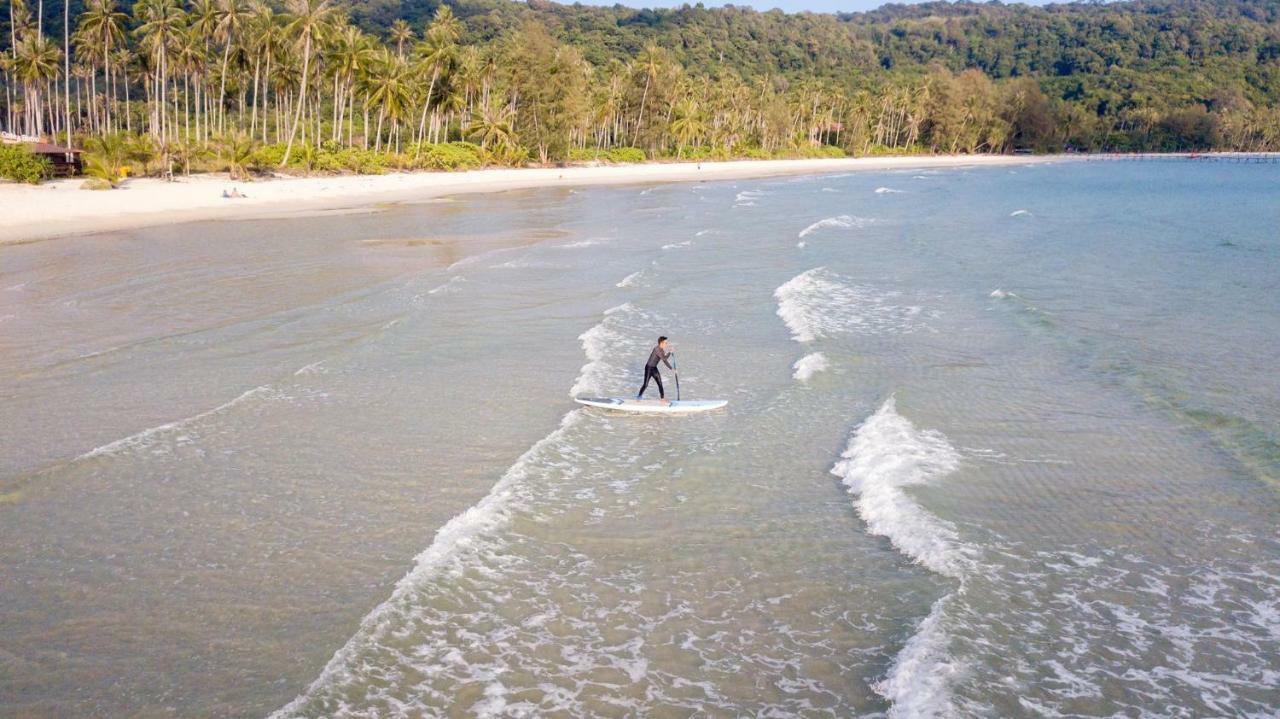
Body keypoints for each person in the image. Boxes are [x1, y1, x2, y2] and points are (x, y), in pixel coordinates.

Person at [637, 336, 673, 400]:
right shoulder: (657, 349)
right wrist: (670, 352)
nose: (666, 344)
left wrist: (671, 368)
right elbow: (664, 359)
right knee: (645, 385)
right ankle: (639, 396)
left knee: (660, 383)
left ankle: (662, 398)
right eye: (665, 343)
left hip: (654, 369)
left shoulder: (662, 350)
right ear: (661, 343)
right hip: (648, 368)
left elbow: (664, 359)